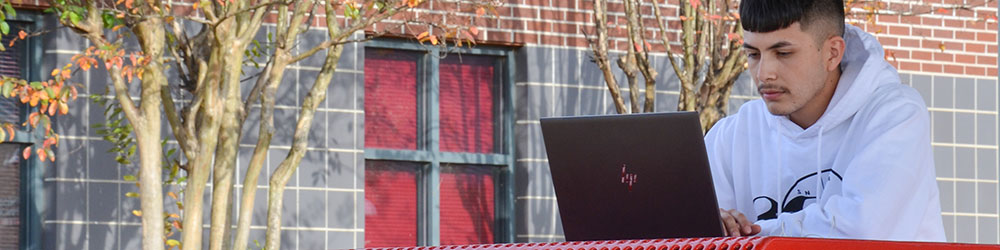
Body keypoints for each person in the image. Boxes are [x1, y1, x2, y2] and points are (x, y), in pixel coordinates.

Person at [704, 0, 946, 241]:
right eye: (753, 54)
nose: (764, 73)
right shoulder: (730, 137)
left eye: (784, 53)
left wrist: (744, 237)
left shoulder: (895, 115)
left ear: (832, 53)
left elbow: (863, 233)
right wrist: (715, 229)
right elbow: (691, 236)